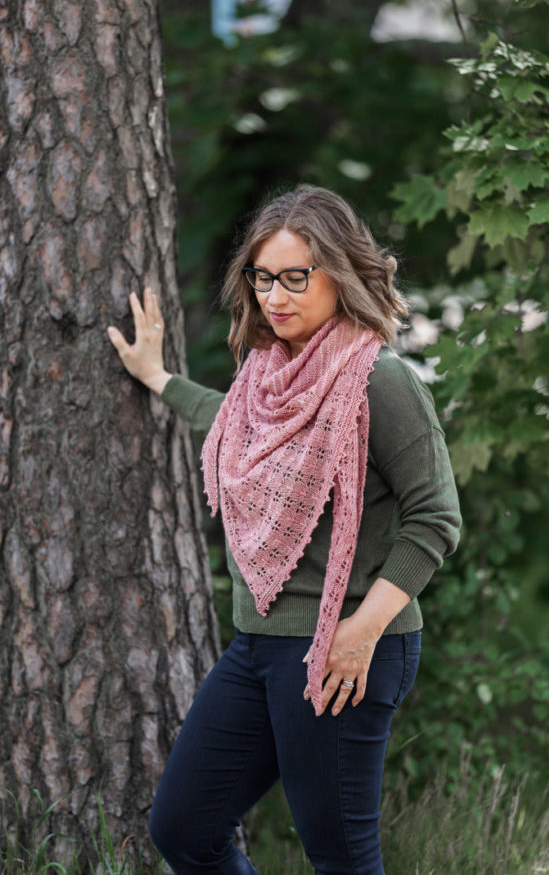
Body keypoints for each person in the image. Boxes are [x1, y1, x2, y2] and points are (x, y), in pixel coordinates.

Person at [107, 186, 462, 874]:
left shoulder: (379, 382)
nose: (276, 295)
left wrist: (357, 634)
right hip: (259, 646)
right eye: (263, 277)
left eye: (296, 277)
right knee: (183, 827)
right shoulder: (265, 379)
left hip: (345, 647)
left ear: (339, 273)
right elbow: (234, 427)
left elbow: (436, 518)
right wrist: (158, 378)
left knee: (341, 858)